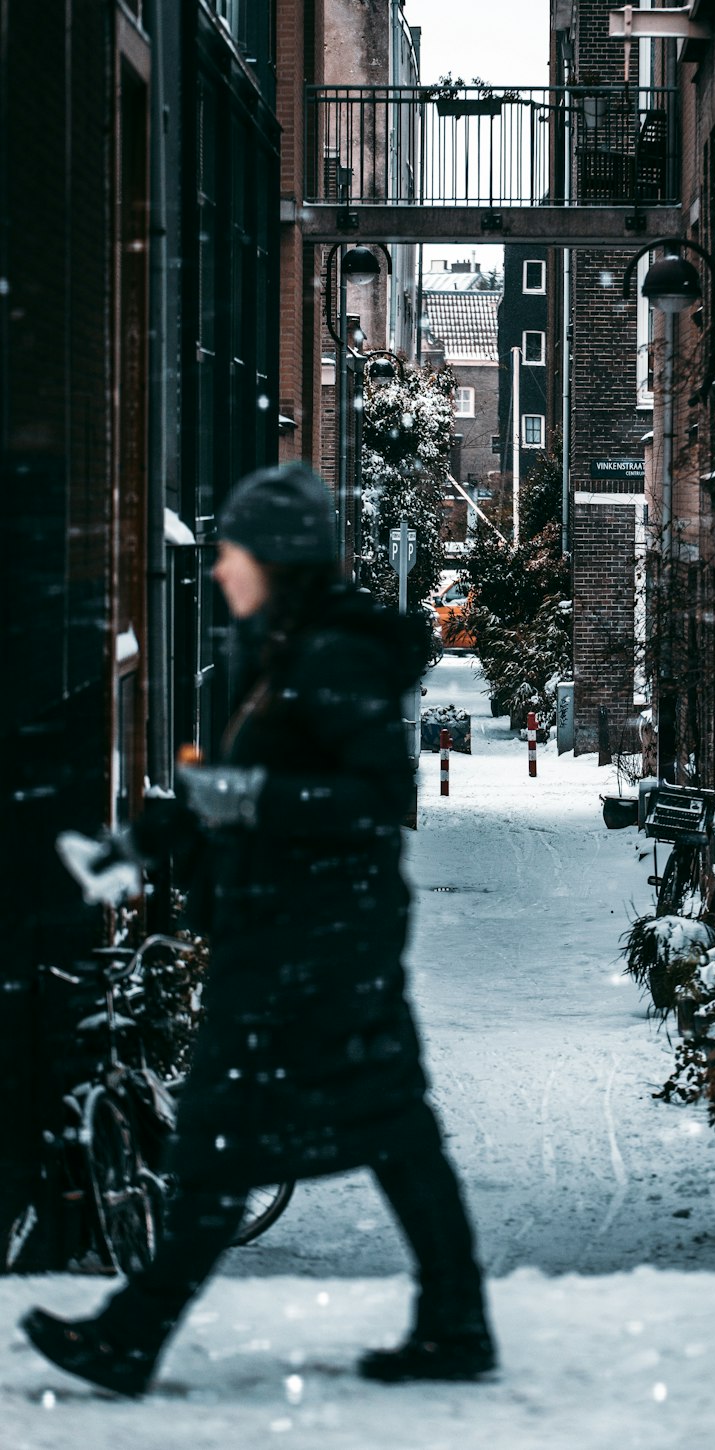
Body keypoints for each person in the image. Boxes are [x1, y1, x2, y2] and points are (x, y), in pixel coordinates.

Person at [21, 463, 495, 1397]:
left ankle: (134, 1335)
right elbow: (234, 794)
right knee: (387, 1130)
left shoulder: (330, 657)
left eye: (233, 551)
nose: (221, 567)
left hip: (313, 942)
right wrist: (143, 842)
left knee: (228, 1136)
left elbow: (371, 798)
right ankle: (455, 1322)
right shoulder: (280, 652)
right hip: (306, 934)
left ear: (275, 559)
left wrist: (251, 797)